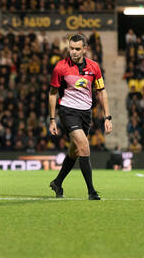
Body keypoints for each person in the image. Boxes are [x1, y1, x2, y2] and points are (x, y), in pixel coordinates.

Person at [48, 34, 112, 200]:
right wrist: (52, 119)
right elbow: (52, 94)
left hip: (85, 113)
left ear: (85, 49)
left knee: (74, 150)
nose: (73, 52)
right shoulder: (60, 68)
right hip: (68, 111)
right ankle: (91, 191)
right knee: (84, 147)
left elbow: (102, 92)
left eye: (77, 49)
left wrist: (107, 117)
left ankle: (57, 182)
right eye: (71, 48)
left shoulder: (94, 67)